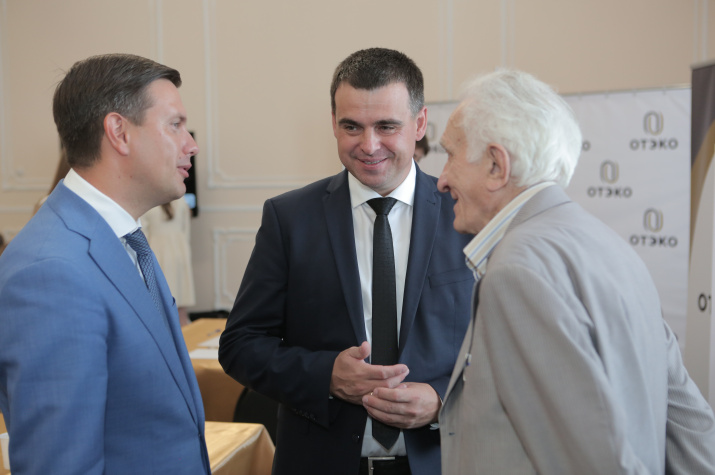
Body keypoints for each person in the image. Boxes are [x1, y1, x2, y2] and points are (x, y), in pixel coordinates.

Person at [437, 69, 715, 474]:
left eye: (449, 154)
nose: (441, 179)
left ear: (497, 165)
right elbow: (692, 429)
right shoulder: (613, 247)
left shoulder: (517, 272)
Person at [219, 47, 474, 475]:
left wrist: (444, 399)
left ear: (420, 124)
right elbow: (241, 345)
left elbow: (506, 352)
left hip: (443, 461)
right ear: (333, 123)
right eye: (351, 126)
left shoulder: (467, 215)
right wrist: (326, 376)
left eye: (386, 126)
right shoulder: (289, 218)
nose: (368, 145)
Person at [0, 54, 210, 474]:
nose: (191, 144)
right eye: (175, 125)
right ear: (119, 132)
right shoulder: (50, 271)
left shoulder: (122, 238)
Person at [142, 197, 196, 326]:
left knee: (162, 298)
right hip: (180, 250)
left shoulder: (148, 202)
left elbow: (143, 234)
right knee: (181, 297)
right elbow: (186, 230)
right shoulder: (181, 202)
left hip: (157, 252)